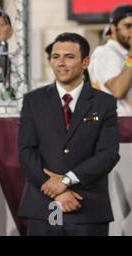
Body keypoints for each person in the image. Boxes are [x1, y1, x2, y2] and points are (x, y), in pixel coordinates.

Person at [18, 33, 120, 236]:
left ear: (85, 62)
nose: (61, 63)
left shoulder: (104, 103)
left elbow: (108, 154)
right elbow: (26, 151)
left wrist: (65, 181)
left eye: (69, 57)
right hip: (43, 206)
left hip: (88, 209)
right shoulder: (33, 101)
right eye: (56, 57)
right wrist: (56, 191)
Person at [89, 4, 132, 114]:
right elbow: (118, 91)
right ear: (113, 28)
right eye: (128, 26)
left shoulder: (125, 54)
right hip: (119, 124)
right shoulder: (105, 53)